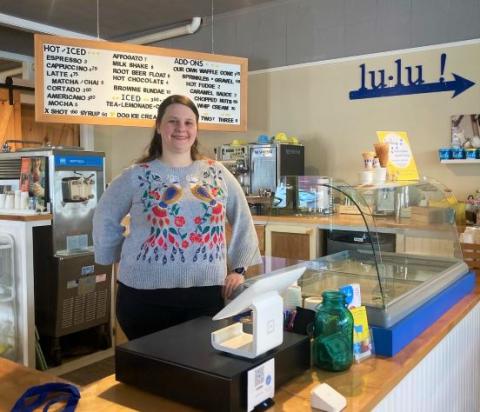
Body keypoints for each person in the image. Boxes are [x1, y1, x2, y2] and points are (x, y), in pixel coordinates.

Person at [93, 95, 261, 340]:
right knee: (150, 373)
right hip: (144, 298)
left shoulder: (217, 173)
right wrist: (115, 254)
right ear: (159, 126)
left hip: (205, 295)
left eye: (188, 122)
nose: (181, 129)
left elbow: (243, 218)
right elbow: (104, 217)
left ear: (196, 129)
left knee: (200, 369)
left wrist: (239, 268)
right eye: (173, 121)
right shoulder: (136, 175)